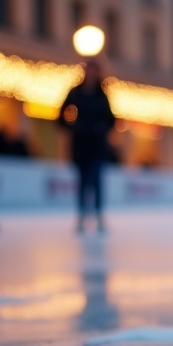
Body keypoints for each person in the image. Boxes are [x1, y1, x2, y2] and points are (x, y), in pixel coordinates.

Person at [58, 59, 116, 233]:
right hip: (80, 145)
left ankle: (98, 215)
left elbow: (112, 119)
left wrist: (101, 129)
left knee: (96, 180)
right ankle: (82, 215)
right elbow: (60, 116)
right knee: (82, 181)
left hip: (97, 146)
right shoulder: (76, 92)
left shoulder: (102, 94)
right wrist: (74, 127)